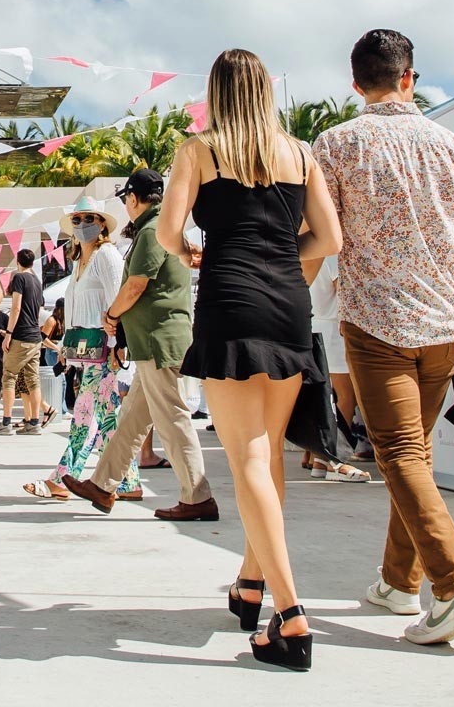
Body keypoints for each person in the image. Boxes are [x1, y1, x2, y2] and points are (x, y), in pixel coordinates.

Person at [154, 52, 341, 670]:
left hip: (230, 300)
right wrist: (287, 252)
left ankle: (290, 616)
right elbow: (331, 239)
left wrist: (191, 250)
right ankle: (249, 583)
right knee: (269, 455)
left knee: (248, 460)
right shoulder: (301, 153)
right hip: (289, 303)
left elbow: (166, 231)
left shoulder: (198, 151)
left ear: (215, 93)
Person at [313, 30, 454, 646]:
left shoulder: (334, 145)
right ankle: (396, 581)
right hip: (445, 322)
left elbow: (324, 239)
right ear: (410, 77)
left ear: (356, 85)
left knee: (401, 455)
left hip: (376, 321)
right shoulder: (452, 147)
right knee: (410, 454)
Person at [63, 167, 221, 521]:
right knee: (131, 421)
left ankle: (198, 496)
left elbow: (136, 285)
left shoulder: (152, 231)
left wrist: (112, 316)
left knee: (173, 419)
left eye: (126, 200)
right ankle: (104, 486)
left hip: (156, 340)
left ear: (133, 198)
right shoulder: (165, 227)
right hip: (156, 339)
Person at [25, 197, 138, 502]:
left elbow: (118, 302)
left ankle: (63, 478)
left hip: (105, 348)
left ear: (102, 224)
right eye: (76, 220)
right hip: (86, 350)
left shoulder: (106, 255)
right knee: (106, 418)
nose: (82, 225)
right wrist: (64, 346)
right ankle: (129, 481)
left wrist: (118, 345)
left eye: (89, 219)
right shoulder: (78, 262)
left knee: (85, 415)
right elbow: (73, 310)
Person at [301, 258, 369, 482]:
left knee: (320, 395)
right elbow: (344, 295)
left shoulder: (303, 250)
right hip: (334, 328)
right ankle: (333, 458)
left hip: (312, 326)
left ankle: (314, 455)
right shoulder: (332, 255)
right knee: (345, 397)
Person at [0, 249, 46, 434]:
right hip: (35, 337)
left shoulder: (19, 279)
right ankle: (34, 422)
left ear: (18, 262)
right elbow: (39, 310)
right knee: (33, 380)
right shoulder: (38, 282)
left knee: (8, 376)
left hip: (21, 335)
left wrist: (8, 333)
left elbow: (15, 308)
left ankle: (6, 422)